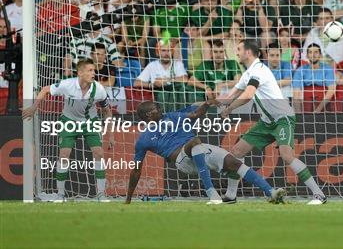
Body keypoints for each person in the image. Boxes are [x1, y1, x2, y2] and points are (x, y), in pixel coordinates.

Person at [220, 40, 328, 205]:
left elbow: (248, 95)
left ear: (248, 53)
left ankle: (319, 194)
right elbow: (232, 94)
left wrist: (229, 109)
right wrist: (217, 104)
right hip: (266, 122)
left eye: (239, 49)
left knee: (286, 155)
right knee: (236, 152)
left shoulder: (259, 70)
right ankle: (231, 195)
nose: (236, 52)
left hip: (282, 118)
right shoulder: (248, 73)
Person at [127, 100, 287, 204]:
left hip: (200, 151)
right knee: (195, 142)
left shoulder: (172, 116)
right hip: (183, 161)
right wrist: (128, 199)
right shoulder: (144, 139)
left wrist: (208, 103)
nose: (160, 108)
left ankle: (270, 192)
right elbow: (136, 170)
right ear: (148, 115)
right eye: (156, 108)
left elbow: (196, 114)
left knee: (235, 163)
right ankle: (212, 193)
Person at [22, 59, 113, 202]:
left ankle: (101, 194)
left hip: (90, 122)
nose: (94, 73)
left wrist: (111, 134)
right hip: (69, 121)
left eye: (94, 70)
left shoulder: (99, 89)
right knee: (64, 154)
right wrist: (34, 107)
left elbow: (107, 111)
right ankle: (60, 195)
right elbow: (45, 89)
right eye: (90, 71)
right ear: (80, 73)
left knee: (99, 152)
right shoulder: (67, 85)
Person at [292, 43, 336, 113]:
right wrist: (298, 114)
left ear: (320, 55)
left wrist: (318, 109)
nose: (313, 55)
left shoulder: (328, 69)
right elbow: (296, 92)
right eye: (310, 52)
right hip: (306, 100)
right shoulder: (300, 70)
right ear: (307, 56)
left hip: (323, 101)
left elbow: (331, 90)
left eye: (316, 52)